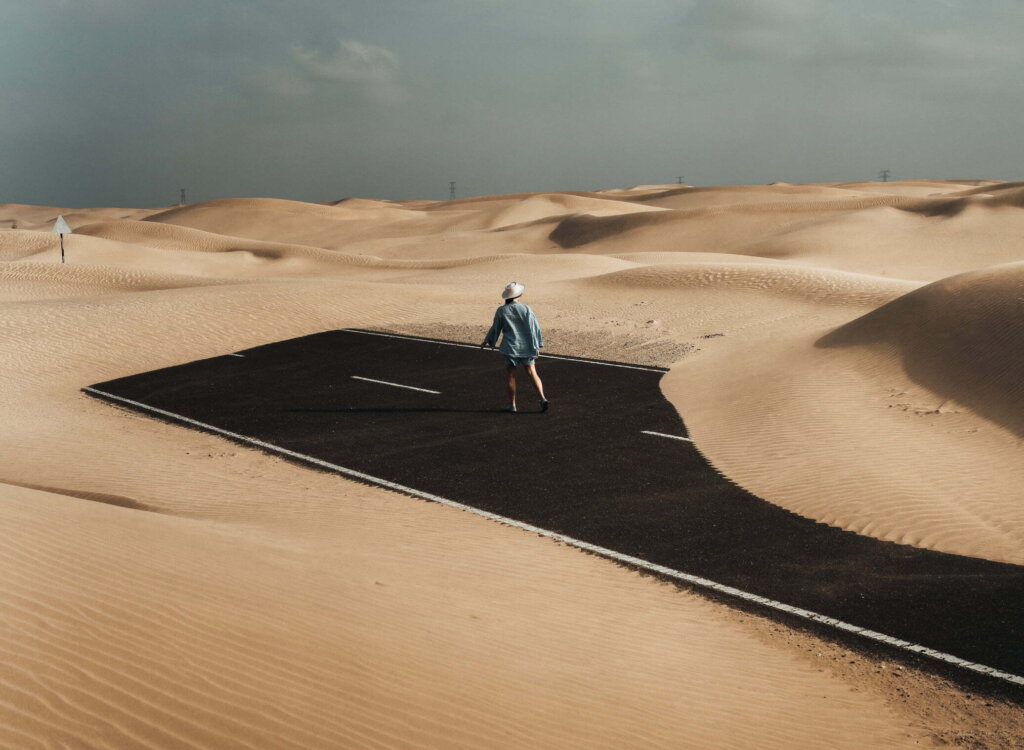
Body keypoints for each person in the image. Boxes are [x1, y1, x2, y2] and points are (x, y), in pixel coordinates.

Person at [480, 281, 549, 413]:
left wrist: (487, 341)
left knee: (511, 375)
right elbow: (535, 328)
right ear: (519, 294)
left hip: (510, 347)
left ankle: (512, 405)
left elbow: (496, 328)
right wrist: (537, 344)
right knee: (532, 372)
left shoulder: (501, 311)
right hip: (527, 346)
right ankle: (542, 397)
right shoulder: (526, 309)